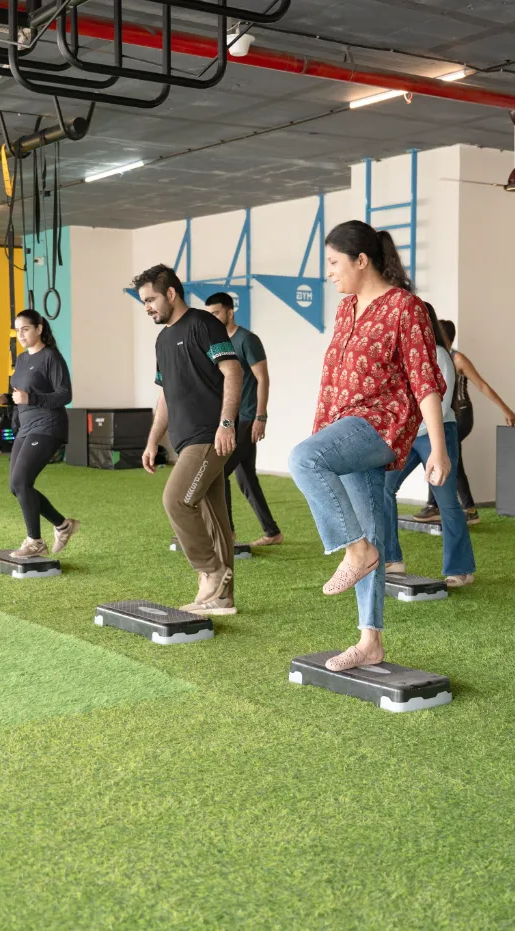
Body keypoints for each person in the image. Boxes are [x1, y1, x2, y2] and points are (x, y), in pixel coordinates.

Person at [288, 220, 448, 672]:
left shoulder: (405, 307)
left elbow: (425, 380)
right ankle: (370, 640)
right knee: (372, 530)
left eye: (334, 262)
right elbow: (332, 380)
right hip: (345, 428)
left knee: (302, 458)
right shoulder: (346, 309)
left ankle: (355, 549)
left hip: (381, 425)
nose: (329, 273)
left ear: (361, 260)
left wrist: (438, 448)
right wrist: (324, 430)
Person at [136, 264, 244, 615]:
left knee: (177, 500)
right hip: (184, 440)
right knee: (215, 517)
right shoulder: (163, 340)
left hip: (209, 435)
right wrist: (153, 440)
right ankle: (221, 598)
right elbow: (165, 395)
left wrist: (226, 424)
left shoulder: (203, 324)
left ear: (171, 293)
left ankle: (210, 571)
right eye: (143, 302)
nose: (147, 307)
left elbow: (233, 370)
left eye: (151, 299)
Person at [383, 304, 476, 587]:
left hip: (437, 432)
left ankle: (461, 569)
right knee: (383, 488)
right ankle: (392, 559)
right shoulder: (402, 354)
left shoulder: (439, 355)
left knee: (446, 500)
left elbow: (440, 404)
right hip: (408, 434)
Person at [412, 319, 515, 526]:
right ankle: (452, 507)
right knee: (445, 456)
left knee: (446, 456)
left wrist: (506, 409)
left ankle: (455, 508)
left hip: (460, 415)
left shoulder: (457, 358)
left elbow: (482, 385)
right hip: (441, 416)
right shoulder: (430, 356)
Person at [0, 309, 78, 558]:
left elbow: (65, 394)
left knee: (21, 482)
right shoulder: (21, 359)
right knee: (16, 486)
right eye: (17, 330)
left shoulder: (51, 357)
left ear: (39, 329)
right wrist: (4, 398)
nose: (20, 334)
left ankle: (35, 542)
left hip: (48, 426)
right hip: (26, 427)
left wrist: (31, 398)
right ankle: (63, 525)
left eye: (26, 329)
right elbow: (20, 394)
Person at [205, 291, 283, 547]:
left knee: (219, 472)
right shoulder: (217, 344)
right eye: (209, 314)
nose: (213, 318)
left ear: (230, 312)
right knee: (246, 477)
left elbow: (263, 378)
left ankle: (227, 534)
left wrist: (261, 416)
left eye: (216, 313)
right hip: (230, 418)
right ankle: (272, 532)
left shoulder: (247, 340)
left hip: (248, 417)